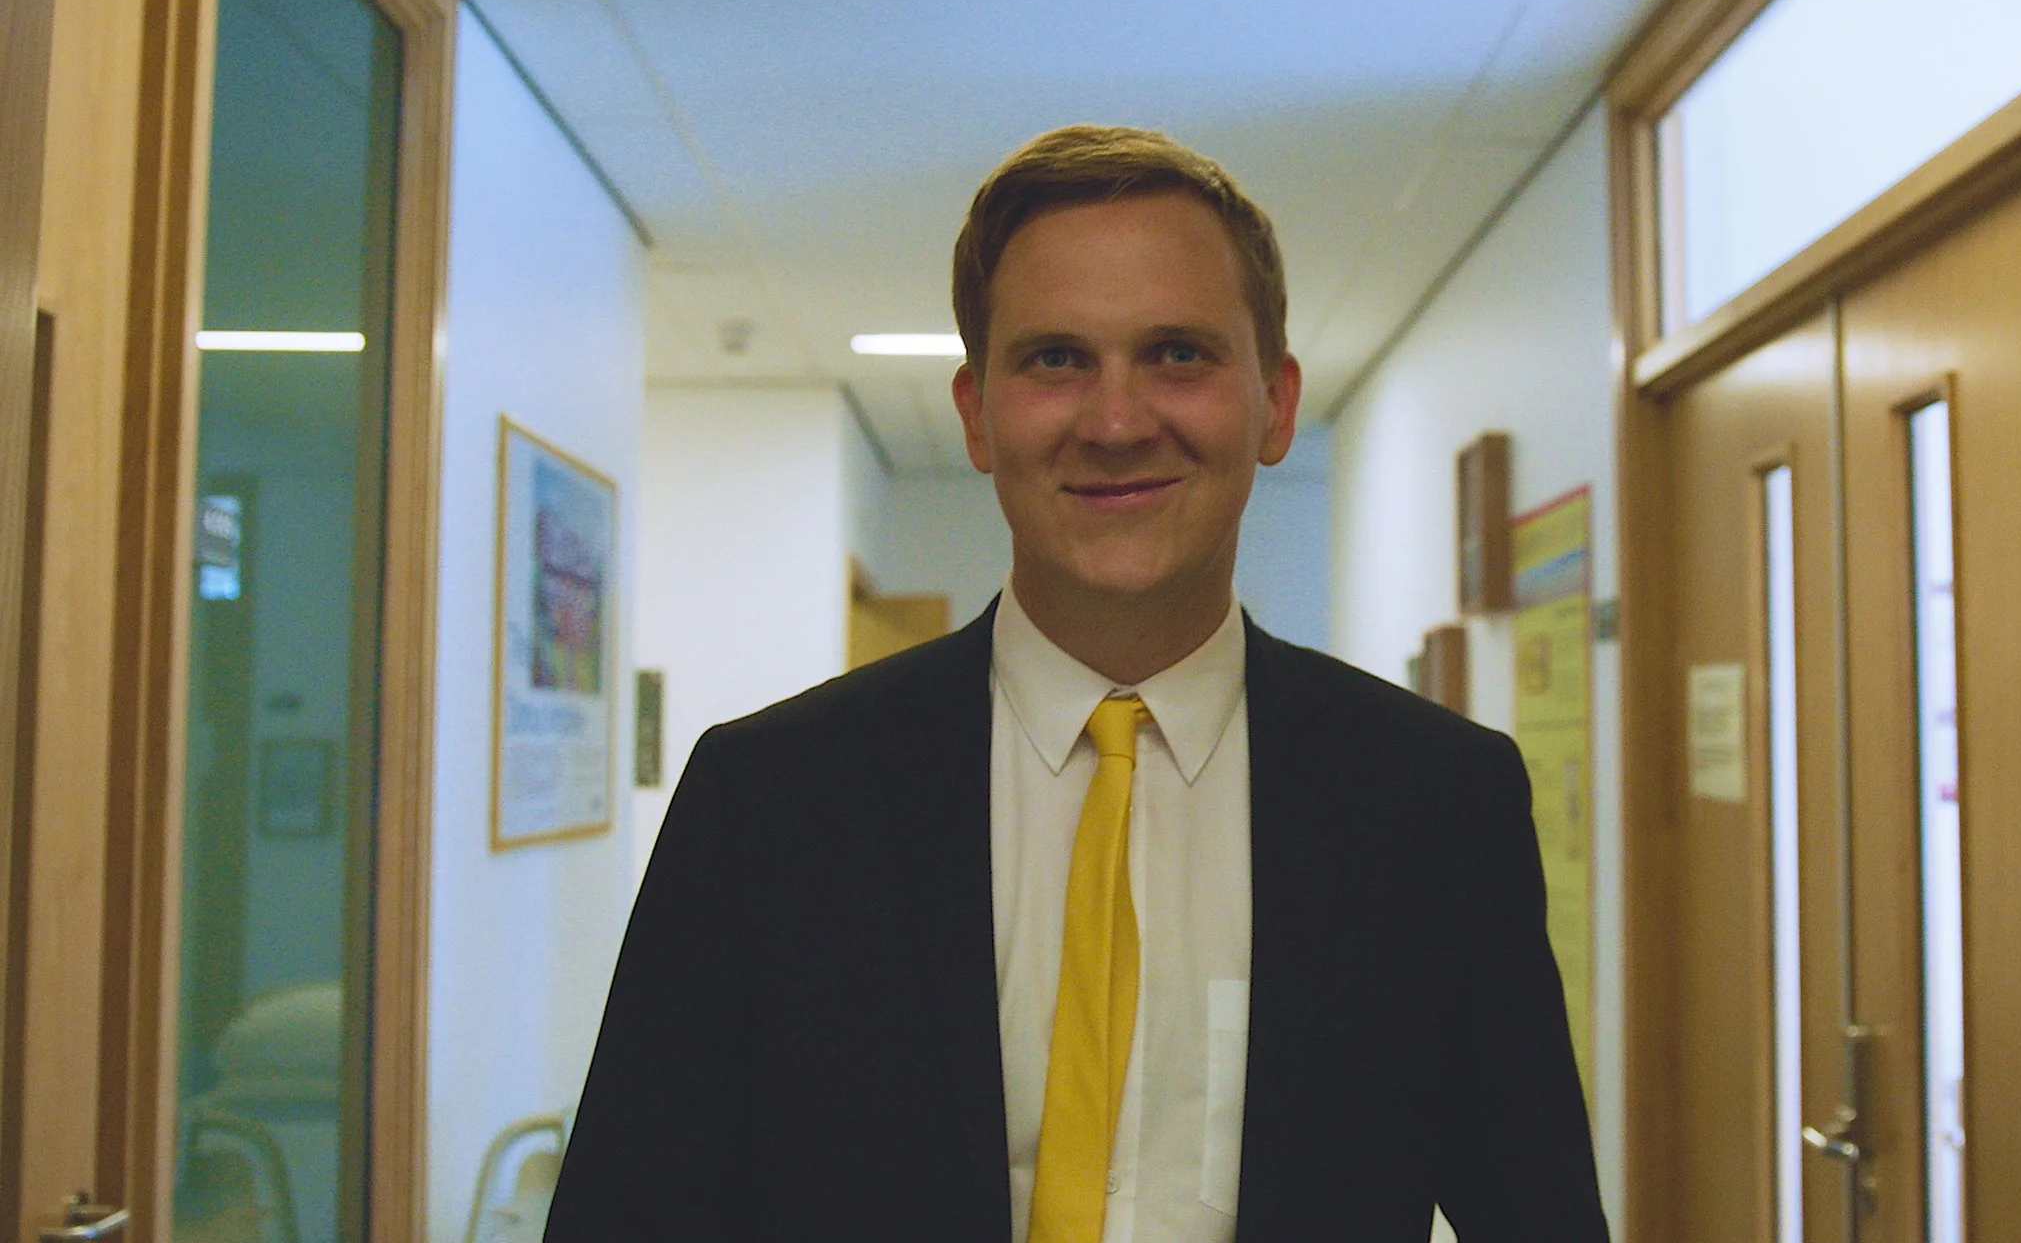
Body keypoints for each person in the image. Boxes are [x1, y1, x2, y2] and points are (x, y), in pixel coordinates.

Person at [546, 127, 1607, 1242]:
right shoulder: (766, 800)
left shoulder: (1437, 801)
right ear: (975, 412)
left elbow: (1536, 1216)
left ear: (1275, 403)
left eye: (1178, 354)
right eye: (1055, 358)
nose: (1114, 421)